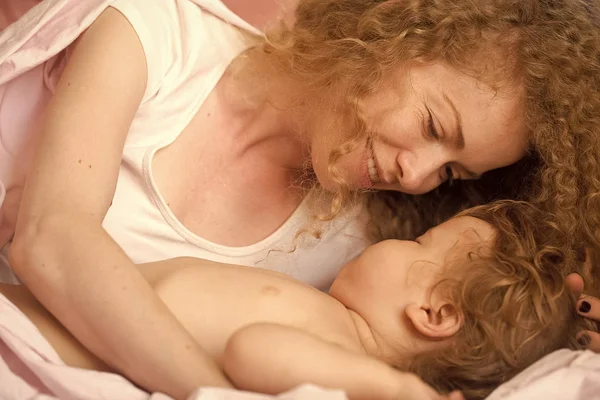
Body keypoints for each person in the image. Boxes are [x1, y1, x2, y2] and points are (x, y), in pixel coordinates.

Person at [2, 0, 600, 398]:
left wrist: (555, 337)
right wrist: (207, 391)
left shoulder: (356, 252)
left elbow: (464, 323)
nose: (416, 175)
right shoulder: (160, 34)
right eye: (433, 125)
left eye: (451, 175)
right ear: (395, 33)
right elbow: (50, 238)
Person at [1, 201, 596, 400]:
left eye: (419, 241)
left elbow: (252, 350)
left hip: (30, 348)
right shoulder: (334, 329)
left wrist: (391, 388)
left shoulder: (341, 362)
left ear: (433, 313)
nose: (397, 237)